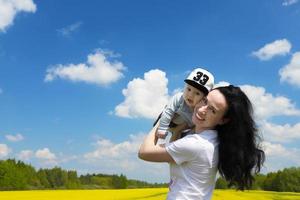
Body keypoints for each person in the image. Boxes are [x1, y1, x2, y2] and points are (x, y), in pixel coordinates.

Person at [139, 85, 265, 200]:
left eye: (212, 110)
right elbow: (173, 158)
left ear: (223, 120)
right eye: (205, 101)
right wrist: (177, 131)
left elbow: (144, 152)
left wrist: (163, 118)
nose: (201, 110)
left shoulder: (196, 144)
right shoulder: (213, 140)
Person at [155, 68, 214, 143]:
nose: (190, 95)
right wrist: (162, 129)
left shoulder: (202, 110)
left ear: (204, 98)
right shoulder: (179, 98)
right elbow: (168, 111)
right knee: (158, 129)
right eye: (188, 89)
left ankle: (168, 151)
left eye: (197, 93)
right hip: (170, 120)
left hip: (183, 127)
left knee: (179, 140)